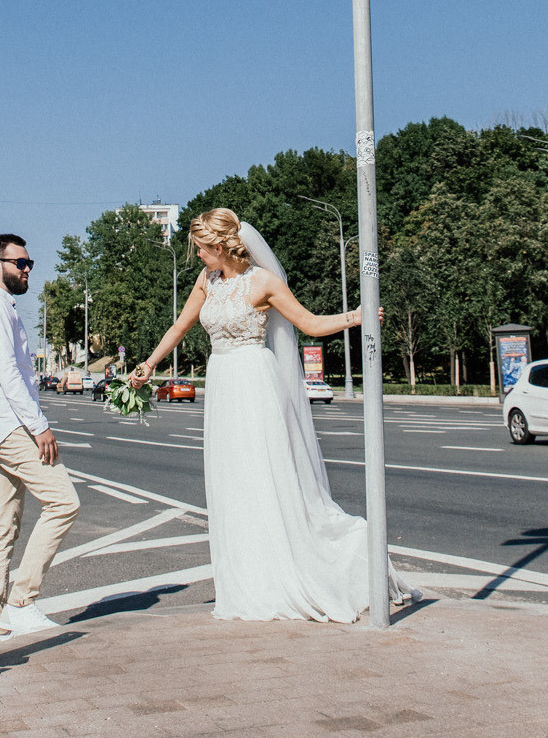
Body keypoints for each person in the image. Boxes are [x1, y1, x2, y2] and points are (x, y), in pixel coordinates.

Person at [130, 207, 411, 622]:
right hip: (222, 382)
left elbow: (309, 324)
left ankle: (317, 565)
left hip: (254, 382)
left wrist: (356, 317)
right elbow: (179, 328)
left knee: (264, 475)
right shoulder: (205, 281)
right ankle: (249, 579)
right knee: (233, 483)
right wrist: (149, 365)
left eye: (202, 249)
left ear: (223, 246)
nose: (199, 256)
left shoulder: (263, 282)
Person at [0, 233, 79, 639]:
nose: (27, 270)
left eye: (30, 264)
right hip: (11, 425)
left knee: (4, 523)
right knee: (64, 503)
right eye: (20, 263)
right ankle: (22, 601)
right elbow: (8, 373)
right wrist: (39, 425)